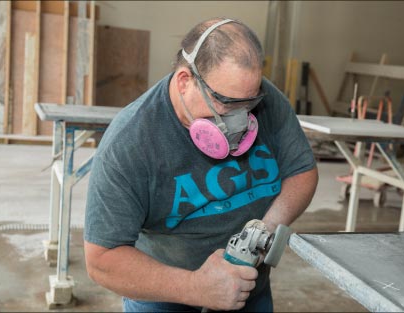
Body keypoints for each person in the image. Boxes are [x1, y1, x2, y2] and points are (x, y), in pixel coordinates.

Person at [84, 17, 318, 312]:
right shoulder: (129, 143)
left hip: (248, 289)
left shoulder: (266, 99)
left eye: (249, 105)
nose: (240, 120)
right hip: (164, 298)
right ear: (185, 81)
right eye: (226, 104)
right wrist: (195, 287)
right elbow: (101, 261)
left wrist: (265, 228)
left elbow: (302, 171)